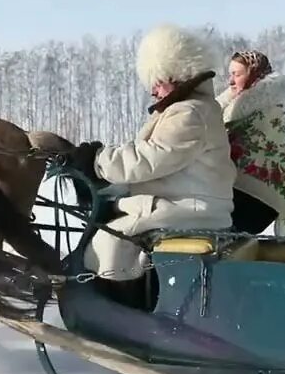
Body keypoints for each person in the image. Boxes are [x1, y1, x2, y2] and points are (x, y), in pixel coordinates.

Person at [64, 24, 237, 304]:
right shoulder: (191, 108)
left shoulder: (190, 112)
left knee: (110, 241)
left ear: (178, 74)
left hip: (191, 209)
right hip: (185, 203)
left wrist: (97, 161)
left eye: (158, 81)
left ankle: (125, 314)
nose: (153, 90)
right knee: (110, 220)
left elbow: (151, 157)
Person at [215, 49, 285, 237]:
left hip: (257, 201)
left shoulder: (268, 112)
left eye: (237, 75)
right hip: (238, 195)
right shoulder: (235, 107)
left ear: (254, 74)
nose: (231, 81)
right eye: (230, 74)